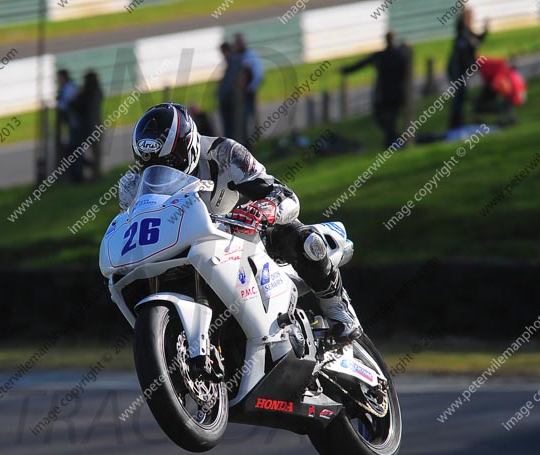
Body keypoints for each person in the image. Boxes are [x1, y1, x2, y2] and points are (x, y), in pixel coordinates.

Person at [118, 103, 362, 344]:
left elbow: (283, 194)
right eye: (150, 165)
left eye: (170, 160)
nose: (162, 170)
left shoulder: (225, 153)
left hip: (243, 235)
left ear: (189, 145)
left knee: (303, 239)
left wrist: (262, 209)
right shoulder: (131, 185)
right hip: (178, 248)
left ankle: (337, 307)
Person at [341, 32, 410, 148]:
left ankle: (392, 142)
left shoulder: (381, 55)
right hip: (396, 93)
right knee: (390, 120)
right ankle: (394, 141)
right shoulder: (400, 54)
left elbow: (362, 64)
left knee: (385, 120)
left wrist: (346, 70)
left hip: (384, 95)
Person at [447, 8, 489, 129]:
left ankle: (459, 121)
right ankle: (455, 123)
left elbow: (477, 39)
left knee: (462, 95)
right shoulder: (462, 34)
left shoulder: (467, 32)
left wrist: (485, 30)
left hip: (461, 69)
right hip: (456, 70)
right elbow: (465, 51)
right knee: (459, 95)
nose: (472, 19)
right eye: (470, 17)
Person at [72, 70, 104, 180]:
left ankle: (95, 174)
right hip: (96, 124)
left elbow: (76, 105)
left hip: (89, 125)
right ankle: (96, 173)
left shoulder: (87, 93)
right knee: (95, 152)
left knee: (90, 152)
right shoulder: (96, 92)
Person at [233, 34, 264, 145]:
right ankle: (245, 136)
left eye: (240, 43)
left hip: (250, 92)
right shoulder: (236, 57)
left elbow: (258, 73)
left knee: (253, 114)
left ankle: (257, 136)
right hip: (241, 92)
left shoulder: (250, 55)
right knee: (243, 116)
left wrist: (251, 87)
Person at [56, 69, 80, 180]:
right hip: (70, 125)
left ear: (64, 77)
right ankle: (74, 174)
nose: (58, 80)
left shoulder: (70, 89)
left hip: (74, 124)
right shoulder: (66, 89)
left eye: (59, 78)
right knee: (71, 149)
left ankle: (77, 175)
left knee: (74, 150)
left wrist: (59, 102)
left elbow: (64, 106)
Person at [218, 42, 242, 140]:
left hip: (229, 99)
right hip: (227, 99)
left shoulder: (234, 62)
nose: (223, 56)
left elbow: (230, 83)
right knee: (229, 126)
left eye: (223, 52)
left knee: (231, 126)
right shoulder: (232, 62)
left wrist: (222, 92)